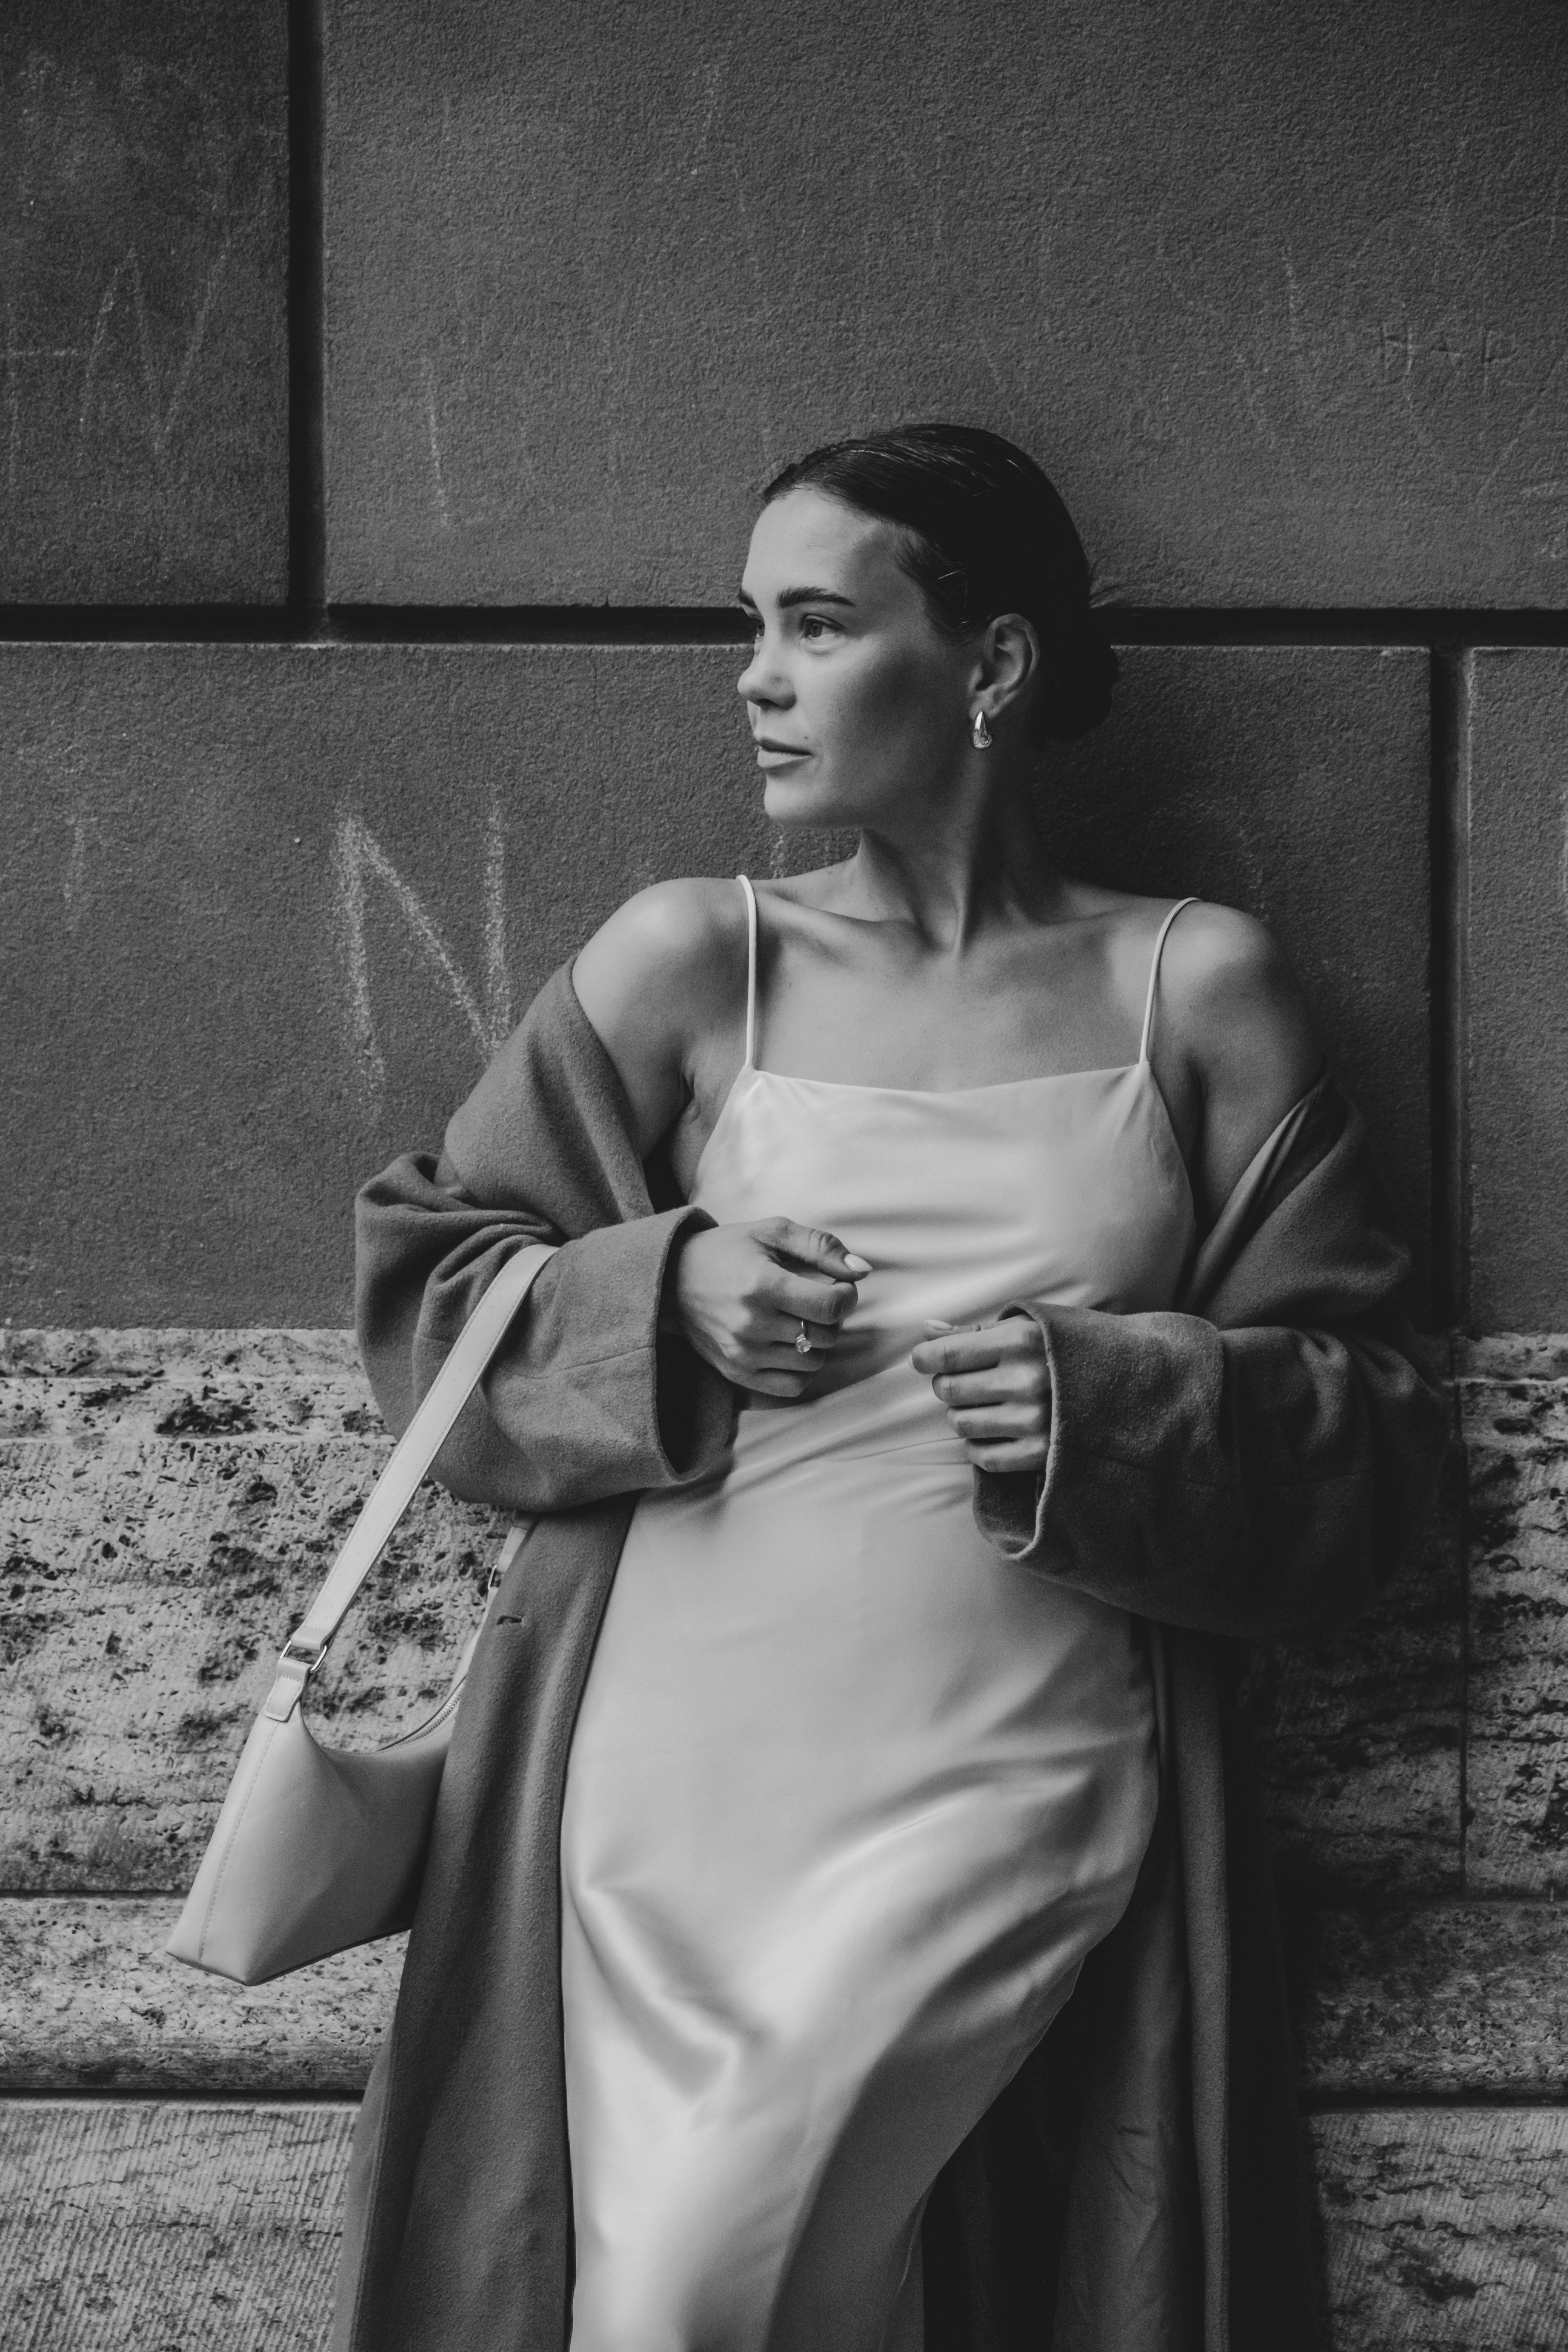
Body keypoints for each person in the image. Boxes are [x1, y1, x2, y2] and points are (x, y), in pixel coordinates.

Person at [330, 426, 1446, 2352]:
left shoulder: (1197, 993)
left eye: (818, 623)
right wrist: (665, 1293)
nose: (755, 676)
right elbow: (428, 1289)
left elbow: (1368, 1427)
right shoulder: (690, 961)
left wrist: (1115, 1411)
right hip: (665, 1779)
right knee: (739, 2289)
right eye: (750, 626)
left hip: (1011, 1771)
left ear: (991, 664)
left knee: (690, 2289)